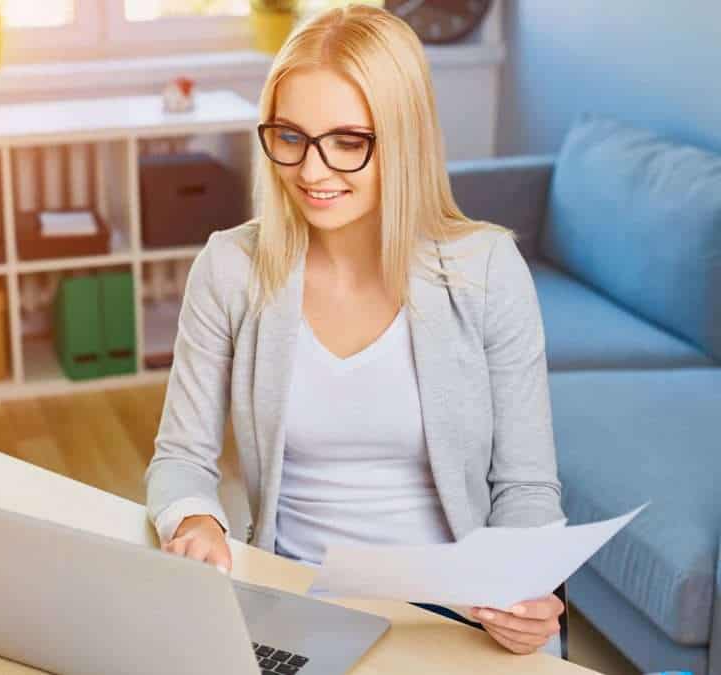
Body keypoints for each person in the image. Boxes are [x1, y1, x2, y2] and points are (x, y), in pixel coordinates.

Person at [144, 4, 566, 657]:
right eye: (290, 136)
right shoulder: (230, 268)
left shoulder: (486, 270)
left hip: (455, 617)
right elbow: (180, 458)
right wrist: (196, 519)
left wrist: (524, 585)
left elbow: (526, 485)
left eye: (347, 141)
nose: (312, 171)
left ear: (404, 139)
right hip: (298, 604)